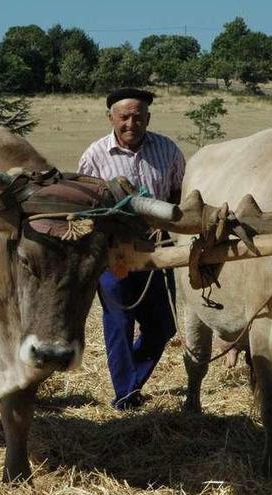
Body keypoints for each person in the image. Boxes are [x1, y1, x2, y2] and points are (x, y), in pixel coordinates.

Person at [78, 88, 186, 410]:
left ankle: (131, 381)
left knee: (163, 326)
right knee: (119, 324)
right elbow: (85, 212)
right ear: (111, 118)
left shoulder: (168, 150)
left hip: (157, 252)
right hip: (115, 255)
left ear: (148, 119)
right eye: (124, 116)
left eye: (138, 117)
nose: (131, 123)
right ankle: (126, 396)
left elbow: (180, 197)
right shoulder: (94, 156)